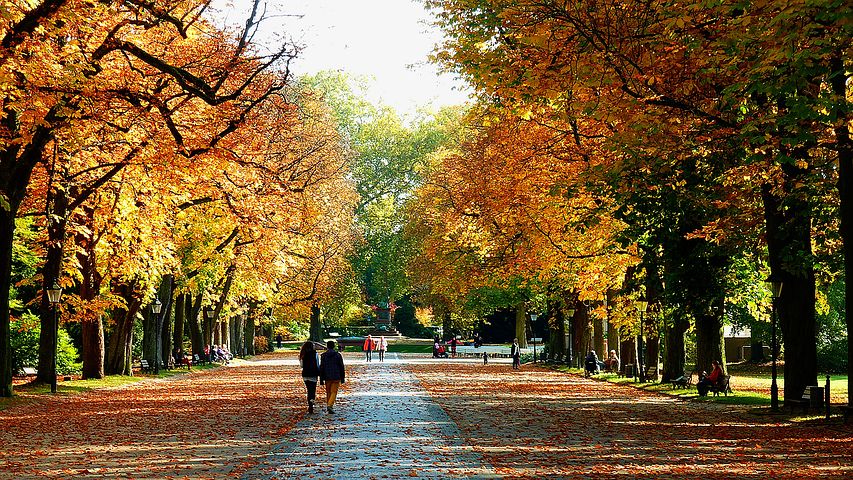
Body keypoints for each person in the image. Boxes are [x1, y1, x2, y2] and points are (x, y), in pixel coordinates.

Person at [320, 340, 345, 413]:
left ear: (327, 346)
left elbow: (322, 367)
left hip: (327, 376)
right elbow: (341, 367)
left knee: (328, 392)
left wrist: (321, 379)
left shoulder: (323, 355)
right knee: (334, 392)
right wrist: (342, 378)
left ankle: (329, 406)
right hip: (336, 376)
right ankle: (330, 405)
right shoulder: (338, 355)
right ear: (334, 346)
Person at [299, 341, 321, 413]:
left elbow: (301, 366)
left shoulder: (303, 354)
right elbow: (317, 364)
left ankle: (310, 404)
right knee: (313, 389)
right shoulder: (315, 354)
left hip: (305, 374)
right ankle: (312, 401)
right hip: (313, 374)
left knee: (308, 389)